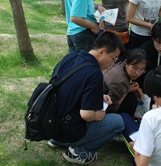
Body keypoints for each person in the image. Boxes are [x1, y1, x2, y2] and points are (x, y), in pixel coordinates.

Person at [47, 32, 125, 165]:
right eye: (113, 58)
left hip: (50, 125)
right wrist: (97, 115)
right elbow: (86, 114)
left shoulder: (70, 57)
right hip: (69, 132)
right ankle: (79, 151)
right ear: (102, 52)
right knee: (118, 122)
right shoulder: (94, 74)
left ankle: (56, 140)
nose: (113, 64)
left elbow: (67, 88)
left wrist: (97, 95)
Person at [103, 48, 147, 117]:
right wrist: (127, 90)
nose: (137, 73)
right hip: (103, 110)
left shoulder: (120, 64)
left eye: (142, 69)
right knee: (131, 99)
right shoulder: (121, 80)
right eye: (134, 68)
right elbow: (111, 108)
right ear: (126, 63)